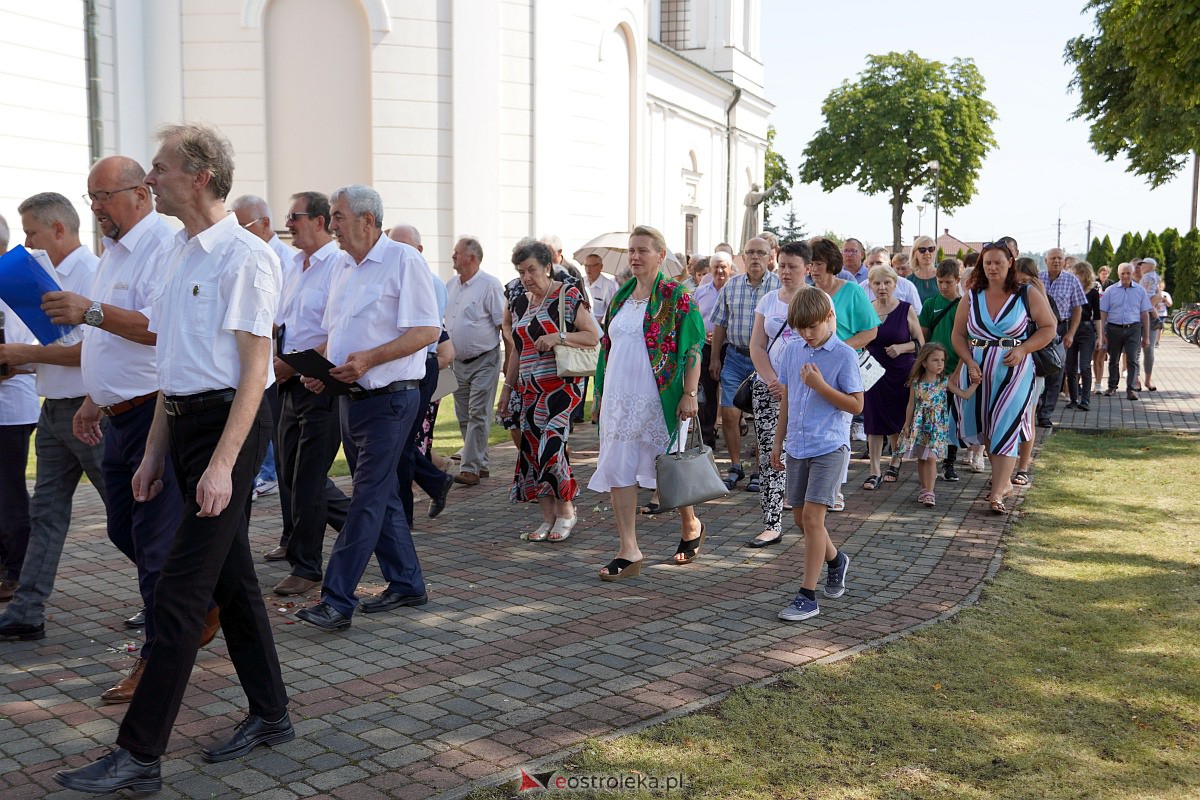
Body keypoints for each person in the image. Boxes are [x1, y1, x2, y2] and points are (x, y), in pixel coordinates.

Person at [55, 123, 290, 794]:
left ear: (201, 176)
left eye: (159, 169)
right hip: (184, 421)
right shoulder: (179, 253)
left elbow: (253, 373)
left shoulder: (245, 255)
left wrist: (222, 464)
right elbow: (172, 364)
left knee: (181, 594)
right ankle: (272, 714)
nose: (150, 179)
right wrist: (156, 450)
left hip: (230, 427)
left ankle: (139, 757)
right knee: (233, 584)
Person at [34, 157, 202, 704]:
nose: (97, 208)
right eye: (91, 198)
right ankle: (203, 597)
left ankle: (157, 662)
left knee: (154, 548)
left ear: (140, 193)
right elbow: (107, 340)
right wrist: (91, 397)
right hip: (115, 416)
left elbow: (157, 329)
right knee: (123, 534)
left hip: (154, 415)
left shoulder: (163, 247)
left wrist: (91, 311)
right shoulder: (116, 251)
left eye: (104, 196)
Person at [294, 184, 439, 632]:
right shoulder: (342, 267)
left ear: (367, 221)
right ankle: (407, 583)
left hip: (391, 398)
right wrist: (319, 364)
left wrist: (370, 359)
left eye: (337, 217)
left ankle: (337, 600)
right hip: (349, 399)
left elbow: (428, 330)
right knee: (383, 497)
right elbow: (336, 334)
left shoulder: (403, 261)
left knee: (368, 499)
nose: (331, 225)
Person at [0, 193, 107, 623]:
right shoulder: (48, 275)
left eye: (31, 234)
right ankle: (27, 610)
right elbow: (54, 348)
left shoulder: (93, 274)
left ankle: (173, 599)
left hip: (91, 411)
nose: (26, 245)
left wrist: (22, 355)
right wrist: (19, 361)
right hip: (54, 411)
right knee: (45, 514)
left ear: (58, 229)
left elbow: (91, 354)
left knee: (124, 518)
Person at [589, 225, 706, 580]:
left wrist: (689, 393)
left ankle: (690, 524)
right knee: (618, 466)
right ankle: (629, 550)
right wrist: (599, 393)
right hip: (619, 399)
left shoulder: (677, 297)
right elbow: (607, 348)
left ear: (661, 254)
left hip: (659, 397)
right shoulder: (621, 295)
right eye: (632, 251)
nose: (635, 257)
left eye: (643, 250)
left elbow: (693, 348)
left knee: (667, 470)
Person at [268, 191, 352, 595]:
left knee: (307, 478)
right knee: (291, 474)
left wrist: (296, 364)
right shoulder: (294, 266)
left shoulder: (337, 266)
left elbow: (338, 331)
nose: (288, 223)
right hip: (287, 383)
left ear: (319, 221)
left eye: (295, 216)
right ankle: (366, 527)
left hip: (320, 383)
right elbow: (282, 323)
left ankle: (306, 568)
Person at [497, 239, 600, 542]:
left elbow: (593, 336)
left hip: (561, 387)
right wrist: (507, 389)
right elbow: (517, 349)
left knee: (551, 448)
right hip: (528, 389)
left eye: (531, 270)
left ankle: (566, 510)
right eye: (521, 271)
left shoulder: (567, 295)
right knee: (530, 452)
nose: (526, 277)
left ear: (547, 267)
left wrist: (559, 336)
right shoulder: (519, 302)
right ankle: (547, 518)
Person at [771, 286, 861, 622]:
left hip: (830, 446)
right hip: (797, 445)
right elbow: (787, 400)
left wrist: (821, 386)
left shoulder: (843, 355)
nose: (807, 334)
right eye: (800, 328)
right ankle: (836, 560)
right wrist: (777, 442)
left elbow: (856, 404)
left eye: (813, 327)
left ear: (829, 318)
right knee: (800, 519)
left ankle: (807, 596)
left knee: (812, 519)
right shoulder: (793, 351)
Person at [951, 240, 1055, 515]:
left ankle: (997, 492)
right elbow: (958, 335)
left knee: (1005, 425)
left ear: (1011, 262)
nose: (992, 267)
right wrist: (968, 360)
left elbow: (1048, 328)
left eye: (998, 262)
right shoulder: (971, 295)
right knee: (987, 425)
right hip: (977, 370)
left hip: (1014, 370)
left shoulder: (1026, 293)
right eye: (987, 263)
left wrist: (1023, 348)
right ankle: (1004, 481)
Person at [388, 224, 456, 522]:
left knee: (402, 443)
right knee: (399, 444)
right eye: (394, 247)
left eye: (405, 247)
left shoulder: (430, 282)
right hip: (397, 368)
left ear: (419, 250)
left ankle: (406, 509)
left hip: (420, 365)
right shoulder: (391, 278)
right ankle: (433, 483)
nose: (399, 254)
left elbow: (425, 332)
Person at [746, 240, 808, 547]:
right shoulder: (768, 300)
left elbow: (826, 347)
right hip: (767, 388)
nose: (785, 271)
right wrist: (772, 380)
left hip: (807, 390)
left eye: (792, 266)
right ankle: (772, 521)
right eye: (781, 265)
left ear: (808, 269)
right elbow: (756, 346)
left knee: (804, 451)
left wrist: (794, 383)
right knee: (771, 452)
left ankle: (807, 511)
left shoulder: (818, 301)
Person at [710, 237, 780, 489]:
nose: (755, 257)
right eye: (750, 252)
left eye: (761, 253)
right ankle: (735, 465)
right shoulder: (732, 286)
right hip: (736, 357)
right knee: (729, 413)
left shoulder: (778, 286)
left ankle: (761, 469)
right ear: (742, 256)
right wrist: (715, 357)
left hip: (767, 360)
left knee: (764, 415)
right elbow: (720, 324)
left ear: (770, 255)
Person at [445, 236, 505, 486]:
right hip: (457, 362)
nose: (452, 257)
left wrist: (510, 364)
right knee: (463, 416)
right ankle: (481, 464)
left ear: (471, 257)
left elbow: (504, 325)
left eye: (456, 253)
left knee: (478, 413)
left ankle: (469, 468)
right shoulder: (450, 286)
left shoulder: (489, 285)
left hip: (485, 359)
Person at [861, 265, 923, 490]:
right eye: (877, 283)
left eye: (887, 283)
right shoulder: (867, 309)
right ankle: (874, 470)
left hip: (900, 372)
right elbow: (859, 338)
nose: (882, 287)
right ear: (871, 286)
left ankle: (895, 462)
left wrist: (902, 347)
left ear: (895, 285)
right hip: (873, 373)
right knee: (873, 420)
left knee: (898, 420)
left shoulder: (906, 309)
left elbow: (920, 343)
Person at [900, 343, 978, 507]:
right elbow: (910, 405)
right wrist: (907, 424)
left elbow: (964, 395)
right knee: (922, 458)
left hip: (936, 427)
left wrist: (975, 384)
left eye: (942, 360)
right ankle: (924, 488)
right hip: (920, 426)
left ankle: (930, 491)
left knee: (931, 458)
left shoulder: (943, 382)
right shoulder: (917, 383)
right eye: (935, 360)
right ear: (924, 362)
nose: (940, 364)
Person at [917, 259, 964, 480]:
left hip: (955, 367)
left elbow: (968, 340)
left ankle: (950, 461)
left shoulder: (964, 305)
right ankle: (931, 457)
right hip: (933, 371)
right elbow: (923, 337)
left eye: (948, 282)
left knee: (953, 417)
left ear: (958, 280)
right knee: (934, 417)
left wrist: (960, 370)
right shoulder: (930, 304)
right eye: (940, 281)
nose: (943, 286)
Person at [1035, 247, 1085, 428]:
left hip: (1061, 329)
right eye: (1053, 258)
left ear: (1064, 262)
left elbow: (1078, 308)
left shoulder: (1072, 280)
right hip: (1037, 329)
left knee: (1056, 371)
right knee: (1037, 370)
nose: (1056, 261)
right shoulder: (1037, 279)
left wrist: (1071, 333)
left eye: (1059, 259)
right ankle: (1035, 408)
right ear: (1045, 261)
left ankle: (1046, 414)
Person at [693, 251, 730, 451]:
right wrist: (702, 335)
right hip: (705, 347)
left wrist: (720, 336)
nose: (720, 270)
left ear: (730, 269)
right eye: (716, 266)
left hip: (728, 347)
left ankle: (733, 430)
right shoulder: (701, 292)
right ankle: (707, 437)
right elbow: (695, 317)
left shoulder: (733, 290)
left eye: (723, 266)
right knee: (706, 393)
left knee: (731, 394)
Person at [1099, 262, 1151, 401]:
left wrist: (1146, 336)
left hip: (1133, 328)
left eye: (1128, 273)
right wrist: (1102, 333)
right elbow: (1103, 312)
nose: (1125, 276)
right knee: (1113, 359)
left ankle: (1132, 389)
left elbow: (1145, 314)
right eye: (1123, 273)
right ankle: (1112, 386)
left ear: (1132, 274)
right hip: (1113, 328)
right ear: (1118, 274)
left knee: (1133, 359)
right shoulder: (1110, 290)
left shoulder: (1140, 291)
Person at [581, 252, 619, 422]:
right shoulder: (581, 283)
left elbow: (612, 312)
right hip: (583, 331)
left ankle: (600, 409)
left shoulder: (608, 285)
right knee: (581, 370)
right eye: (586, 266)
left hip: (602, 331)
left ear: (600, 267)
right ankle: (578, 413)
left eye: (592, 266)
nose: (588, 270)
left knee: (600, 371)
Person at [1064, 260, 1101, 410]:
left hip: (1086, 330)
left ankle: (1085, 400)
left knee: (1085, 365)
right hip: (1071, 328)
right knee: (1070, 367)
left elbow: (1097, 315)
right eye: (1074, 274)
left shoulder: (1092, 292)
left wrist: (1100, 336)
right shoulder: (1070, 290)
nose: (1076, 277)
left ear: (1085, 276)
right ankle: (1073, 399)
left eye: (1078, 274)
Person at [1144, 283, 1170, 392]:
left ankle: (1148, 380)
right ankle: (1135, 380)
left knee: (1149, 350)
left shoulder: (1152, 283)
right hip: (1135, 318)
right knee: (1134, 352)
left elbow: (1160, 297)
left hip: (1151, 319)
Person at [907, 235, 940, 302]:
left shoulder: (943, 276)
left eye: (931, 249)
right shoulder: (909, 281)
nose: (927, 253)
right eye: (922, 250)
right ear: (914, 253)